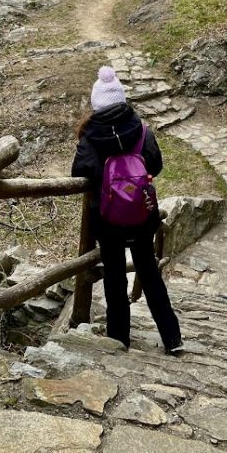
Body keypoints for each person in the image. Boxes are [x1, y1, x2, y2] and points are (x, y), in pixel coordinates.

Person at [71, 66, 183, 353]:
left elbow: (81, 173)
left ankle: (119, 338)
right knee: (149, 272)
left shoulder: (91, 137)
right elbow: (155, 165)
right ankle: (172, 338)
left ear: (97, 105)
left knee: (115, 277)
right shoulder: (141, 130)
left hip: (107, 219)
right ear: (122, 101)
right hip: (142, 216)